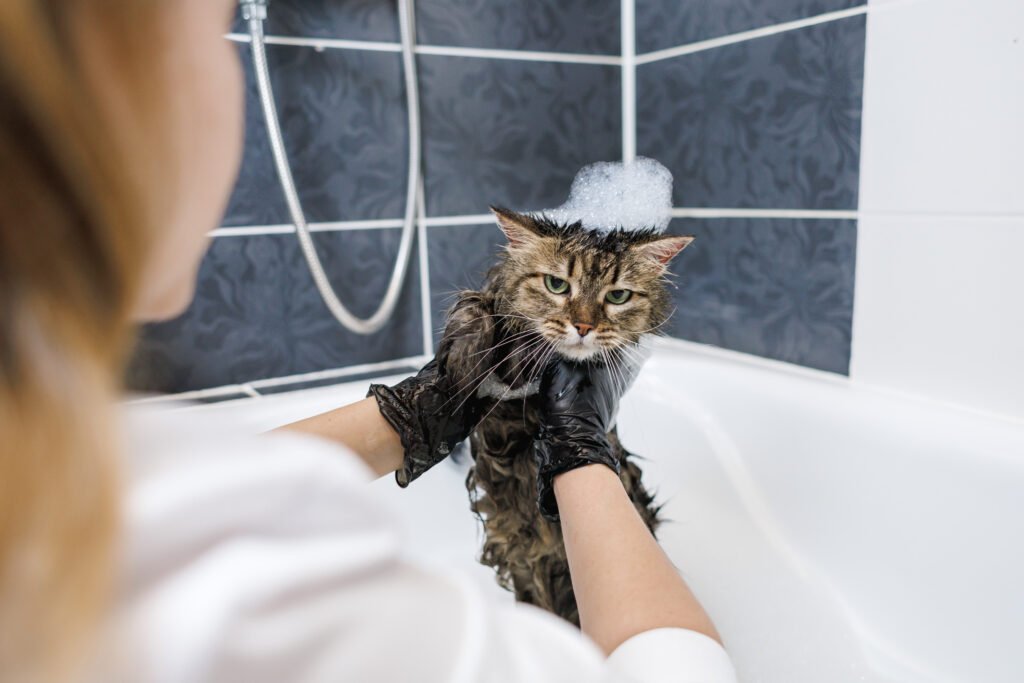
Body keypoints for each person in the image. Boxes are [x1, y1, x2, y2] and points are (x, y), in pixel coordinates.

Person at [0, 1, 737, 681]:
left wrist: (425, 408)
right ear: (101, 68)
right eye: (219, 26)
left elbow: (185, 493)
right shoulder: (219, 583)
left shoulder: (57, 464)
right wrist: (579, 444)